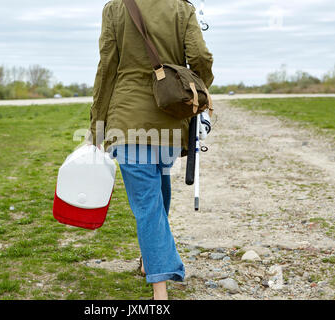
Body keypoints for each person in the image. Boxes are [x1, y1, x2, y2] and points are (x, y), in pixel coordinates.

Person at [87, 0, 214, 300]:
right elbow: (200, 57)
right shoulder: (182, 9)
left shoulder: (116, 8)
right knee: (157, 189)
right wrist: (199, 89)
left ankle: (160, 293)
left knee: (147, 204)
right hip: (170, 118)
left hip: (128, 121)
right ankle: (149, 259)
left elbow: (107, 70)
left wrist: (97, 127)